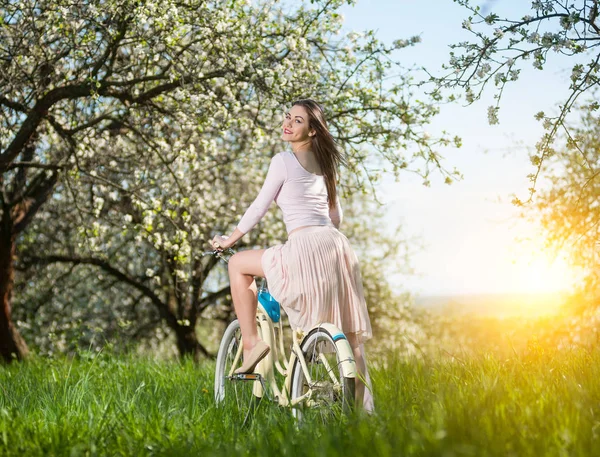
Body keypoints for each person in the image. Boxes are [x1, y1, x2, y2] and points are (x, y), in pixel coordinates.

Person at [211, 99, 374, 411]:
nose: (288, 123)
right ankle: (361, 415)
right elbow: (335, 217)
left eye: (297, 120)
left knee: (237, 263)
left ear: (311, 131)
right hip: (337, 247)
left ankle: (250, 344)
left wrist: (228, 239)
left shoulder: (283, 161)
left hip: (304, 246)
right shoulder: (326, 166)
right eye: (288, 116)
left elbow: (259, 206)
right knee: (352, 340)